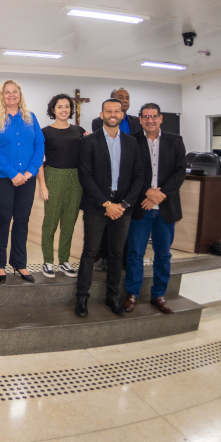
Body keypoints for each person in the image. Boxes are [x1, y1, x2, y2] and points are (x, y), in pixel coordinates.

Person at [75, 98, 144, 318]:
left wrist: (122, 205)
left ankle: (112, 296)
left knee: (116, 253)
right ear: (101, 114)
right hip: (97, 206)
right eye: (108, 111)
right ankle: (82, 297)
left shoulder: (132, 142)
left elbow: (138, 176)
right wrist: (106, 204)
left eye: (117, 111)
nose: (113, 114)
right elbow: (85, 176)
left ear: (122, 114)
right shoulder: (89, 141)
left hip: (123, 208)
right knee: (90, 252)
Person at [124, 103, 187, 315]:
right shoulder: (131, 140)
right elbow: (128, 173)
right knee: (135, 253)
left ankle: (158, 294)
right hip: (141, 208)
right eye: (145, 117)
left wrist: (160, 194)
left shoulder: (175, 141)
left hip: (166, 208)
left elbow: (180, 172)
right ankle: (132, 293)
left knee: (163, 255)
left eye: (154, 116)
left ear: (161, 118)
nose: (150, 120)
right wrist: (147, 193)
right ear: (140, 119)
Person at [0, 80, 45, 284]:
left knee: (22, 221)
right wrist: (12, 173)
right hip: (3, 178)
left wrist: (29, 172)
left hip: (27, 179)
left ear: (20, 94)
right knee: (2, 220)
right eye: (7, 92)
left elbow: (40, 146)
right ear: (1, 96)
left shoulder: (30, 118)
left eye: (15, 92)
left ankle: (20, 263)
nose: (11, 95)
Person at [37, 94, 87, 278]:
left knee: (69, 222)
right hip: (54, 175)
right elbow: (38, 161)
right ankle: (48, 261)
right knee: (51, 221)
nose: (64, 109)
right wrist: (42, 185)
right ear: (53, 110)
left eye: (67, 106)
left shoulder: (79, 131)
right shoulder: (45, 132)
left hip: (76, 179)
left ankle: (64, 261)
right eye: (60, 106)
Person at [91, 88, 140, 272]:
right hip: (105, 185)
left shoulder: (135, 122)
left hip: (126, 185)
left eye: (127, 98)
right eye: (121, 98)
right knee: (104, 230)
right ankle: (103, 257)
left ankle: (124, 260)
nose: (125, 100)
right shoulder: (99, 122)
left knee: (125, 230)